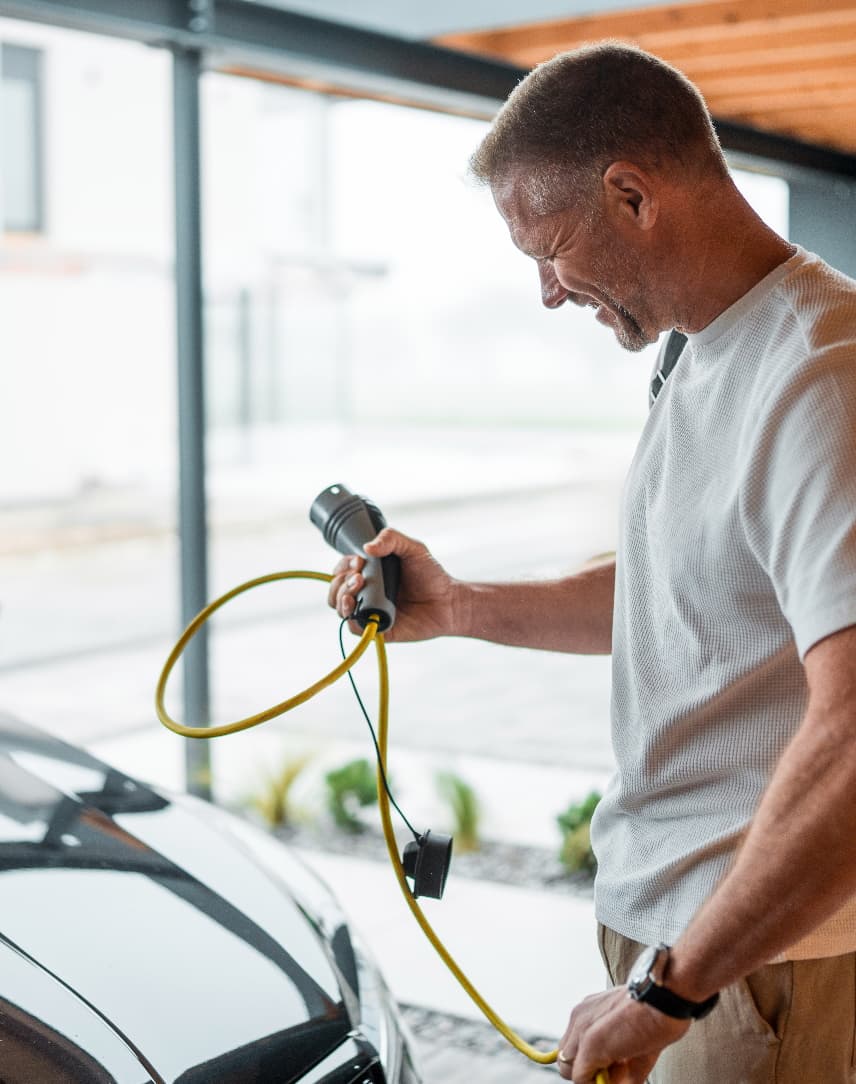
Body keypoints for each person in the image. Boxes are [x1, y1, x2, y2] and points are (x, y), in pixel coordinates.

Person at [328, 42, 856, 1084]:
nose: (547, 293)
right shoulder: (707, 347)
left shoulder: (819, 374)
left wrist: (674, 985)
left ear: (631, 193)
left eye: (549, 247)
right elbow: (677, 590)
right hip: (694, 949)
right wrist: (459, 603)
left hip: (754, 968)